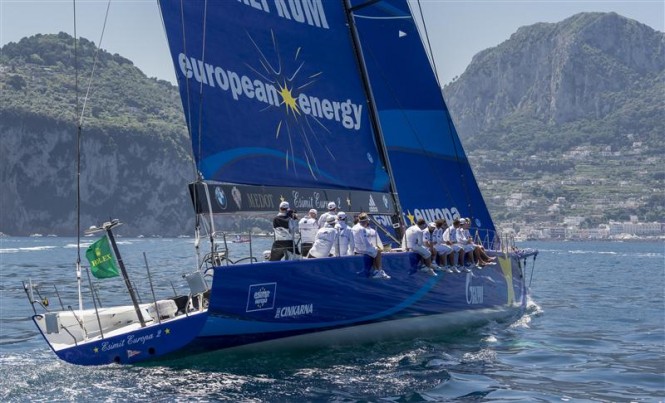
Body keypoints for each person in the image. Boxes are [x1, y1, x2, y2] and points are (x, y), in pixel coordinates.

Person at [352, 213, 390, 279]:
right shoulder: (362, 229)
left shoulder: (354, 227)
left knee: (374, 251)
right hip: (361, 249)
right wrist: (372, 247)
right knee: (377, 251)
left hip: (356, 248)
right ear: (367, 221)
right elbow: (365, 243)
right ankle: (379, 270)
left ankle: (376, 271)